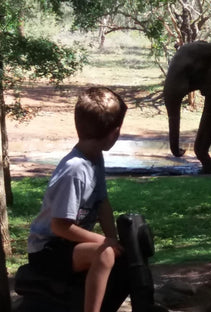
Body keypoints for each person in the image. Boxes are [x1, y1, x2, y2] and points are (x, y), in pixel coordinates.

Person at [27, 87, 128, 312]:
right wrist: (104, 243)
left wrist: (113, 238)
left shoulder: (95, 157)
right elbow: (60, 226)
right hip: (47, 249)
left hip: (69, 245)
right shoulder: (74, 169)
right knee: (105, 255)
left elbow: (102, 202)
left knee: (122, 254)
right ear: (115, 132)